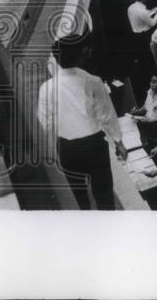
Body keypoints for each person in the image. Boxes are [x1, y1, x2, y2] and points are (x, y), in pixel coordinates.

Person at [36, 41, 126, 210]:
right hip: (94, 146)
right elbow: (106, 116)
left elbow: (45, 123)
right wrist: (118, 142)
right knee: (104, 192)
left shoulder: (46, 88)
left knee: (79, 193)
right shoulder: (93, 81)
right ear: (82, 55)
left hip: (66, 147)